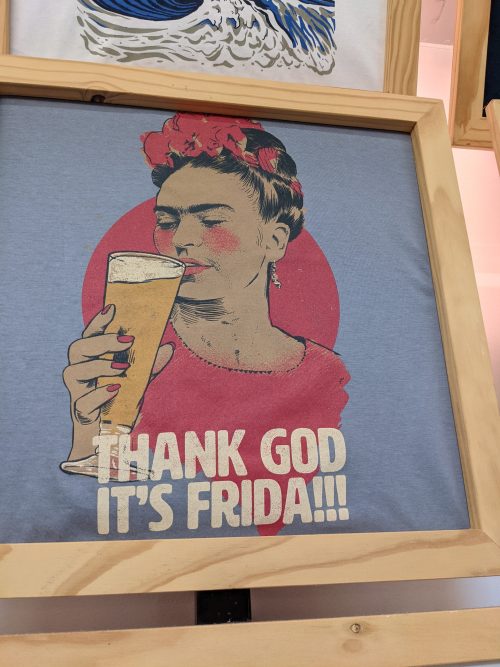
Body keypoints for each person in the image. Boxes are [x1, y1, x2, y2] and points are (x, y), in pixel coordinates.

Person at [61, 113, 350, 535]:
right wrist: (90, 437)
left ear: (275, 240)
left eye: (212, 220)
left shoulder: (327, 375)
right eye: (167, 222)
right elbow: (87, 519)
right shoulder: (126, 356)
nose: (181, 239)